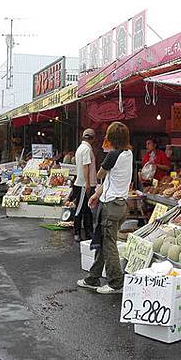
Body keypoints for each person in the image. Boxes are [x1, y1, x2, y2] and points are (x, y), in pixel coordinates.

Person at [77, 122, 133, 295]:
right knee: (103, 240)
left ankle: (116, 282)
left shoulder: (113, 155)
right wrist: (96, 195)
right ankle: (92, 277)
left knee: (109, 245)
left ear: (112, 138)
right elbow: (110, 180)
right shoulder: (128, 153)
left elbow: (101, 174)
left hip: (111, 206)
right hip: (121, 203)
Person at [70, 129, 98, 242]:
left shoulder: (81, 148)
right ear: (92, 138)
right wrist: (87, 184)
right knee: (80, 208)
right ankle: (77, 231)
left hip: (83, 183)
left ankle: (88, 232)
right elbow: (85, 167)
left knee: (87, 209)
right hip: (83, 184)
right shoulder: (86, 149)